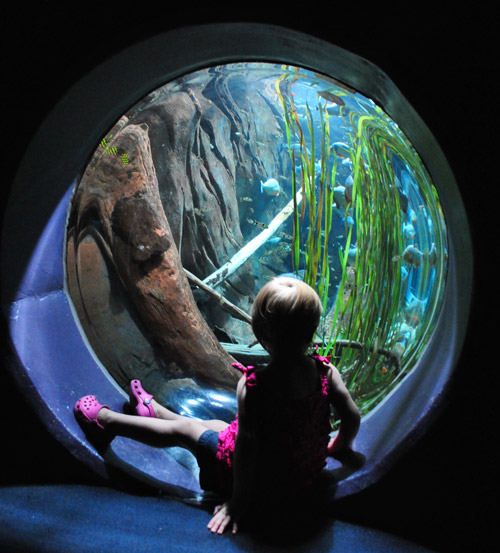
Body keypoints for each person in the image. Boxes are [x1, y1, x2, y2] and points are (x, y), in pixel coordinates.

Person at [74, 276, 361, 535]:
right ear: (311, 332)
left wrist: (238, 502)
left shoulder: (255, 387)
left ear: (261, 333)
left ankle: (105, 420)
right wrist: (341, 446)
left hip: (255, 485)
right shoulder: (326, 373)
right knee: (220, 428)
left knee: (186, 430)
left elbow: (246, 450)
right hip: (299, 478)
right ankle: (156, 412)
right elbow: (352, 416)